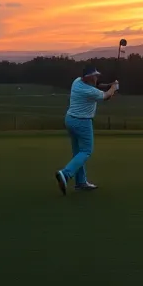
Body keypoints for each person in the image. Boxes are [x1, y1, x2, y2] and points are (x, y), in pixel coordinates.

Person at [54, 66, 118, 194]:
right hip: (82, 122)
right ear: (89, 77)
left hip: (70, 120)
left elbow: (98, 85)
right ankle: (65, 174)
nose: (97, 77)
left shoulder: (77, 81)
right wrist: (114, 87)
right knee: (86, 151)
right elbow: (106, 96)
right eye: (95, 76)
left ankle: (81, 182)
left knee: (78, 152)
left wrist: (108, 85)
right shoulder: (89, 91)